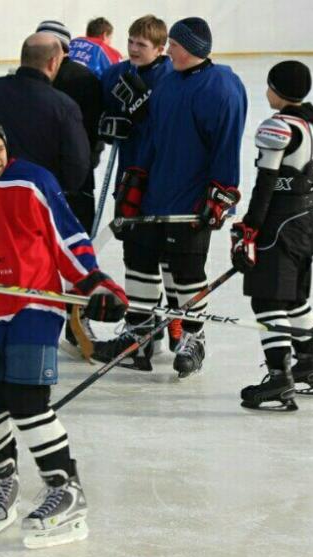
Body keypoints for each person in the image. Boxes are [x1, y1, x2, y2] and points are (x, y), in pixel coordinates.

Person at [0, 114, 128, 547]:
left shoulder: (31, 182)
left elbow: (67, 238)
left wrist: (95, 283)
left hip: (33, 306)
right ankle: (4, 480)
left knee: (26, 400)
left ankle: (64, 489)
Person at [92, 17, 247, 378]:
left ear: (190, 47)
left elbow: (227, 143)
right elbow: (153, 138)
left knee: (186, 270)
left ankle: (194, 337)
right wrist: (136, 178)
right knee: (139, 261)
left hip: (190, 198)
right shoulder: (167, 84)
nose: (169, 51)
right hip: (154, 195)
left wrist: (222, 191)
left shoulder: (222, 84)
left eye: (173, 46)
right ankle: (139, 339)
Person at [232, 61, 313, 412]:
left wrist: (249, 229)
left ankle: (279, 378)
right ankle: (307, 365)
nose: (266, 92)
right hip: (307, 220)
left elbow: (266, 182)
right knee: (296, 297)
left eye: (269, 86)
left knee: (268, 300)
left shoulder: (278, 127)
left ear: (278, 89)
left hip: (280, 223)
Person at [96, 15, 183, 361]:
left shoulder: (171, 78)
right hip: (129, 176)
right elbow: (102, 114)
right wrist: (108, 125)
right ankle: (143, 336)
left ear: (160, 49)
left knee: (166, 254)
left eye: (141, 45)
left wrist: (142, 110)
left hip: (162, 179)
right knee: (136, 253)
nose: (133, 49)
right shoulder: (116, 74)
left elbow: (172, 124)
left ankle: (173, 320)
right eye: (130, 41)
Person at [35, 20, 105, 352]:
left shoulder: (84, 81)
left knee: (76, 255)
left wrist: (84, 166)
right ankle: (43, 321)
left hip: (72, 183)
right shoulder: (32, 78)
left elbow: (91, 134)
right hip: (42, 183)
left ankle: (76, 320)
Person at [0, 33, 91, 200]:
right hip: (37, 201)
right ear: (53, 62)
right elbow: (77, 167)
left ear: (23, 58)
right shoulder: (64, 106)